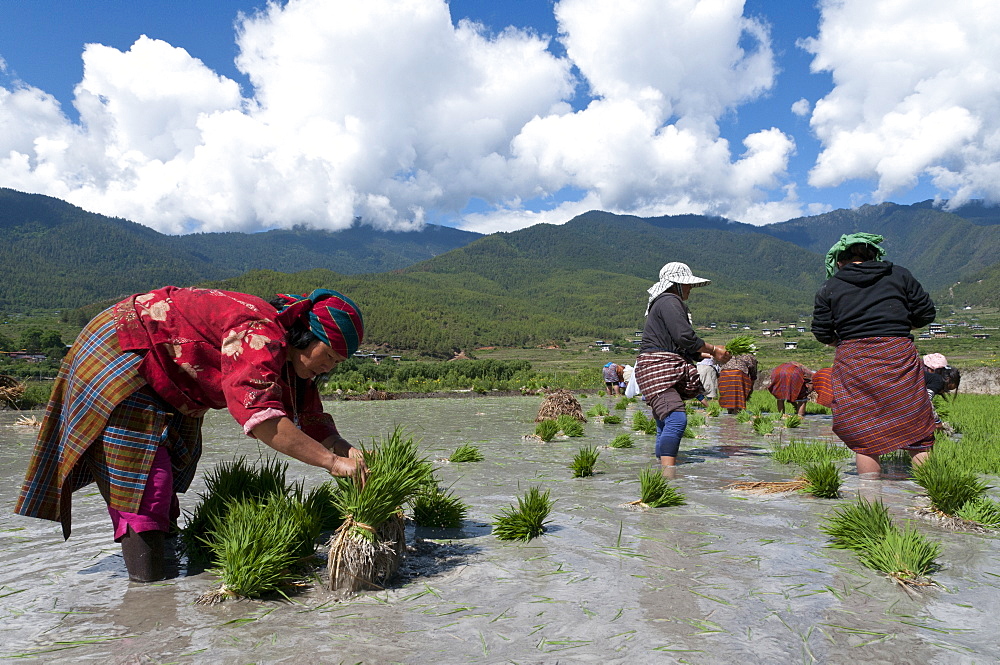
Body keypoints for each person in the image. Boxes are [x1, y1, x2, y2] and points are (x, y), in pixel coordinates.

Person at [15, 286, 366, 582]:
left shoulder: (293, 364)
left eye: (339, 362)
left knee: (165, 478)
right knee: (144, 482)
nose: (331, 366)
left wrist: (347, 451)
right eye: (330, 355)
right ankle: (148, 597)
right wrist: (332, 463)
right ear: (306, 336)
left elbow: (312, 419)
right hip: (126, 351)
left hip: (169, 376)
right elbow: (261, 417)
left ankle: (165, 569)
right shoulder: (260, 331)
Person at [811, 233, 937, 479]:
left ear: (839, 261)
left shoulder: (830, 287)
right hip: (897, 354)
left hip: (855, 360)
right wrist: (897, 327)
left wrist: (843, 339)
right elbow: (926, 313)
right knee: (916, 424)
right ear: (873, 255)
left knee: (864, 431)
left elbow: (822, 332)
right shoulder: (899, 274)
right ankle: (930, 496)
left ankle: (869, 503)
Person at [634, 262, 731, 475]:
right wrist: (714, 350)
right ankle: (669, 475)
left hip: (655, 366)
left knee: (663, 421)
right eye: (686, 285)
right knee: (676, 418)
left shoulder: (665, 302)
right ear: (675, 284)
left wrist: (705, 353)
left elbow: (678, 345)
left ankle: (661, 468)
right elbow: (684, 337)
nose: (689, 289)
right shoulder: (669, 300)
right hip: (658, 367)